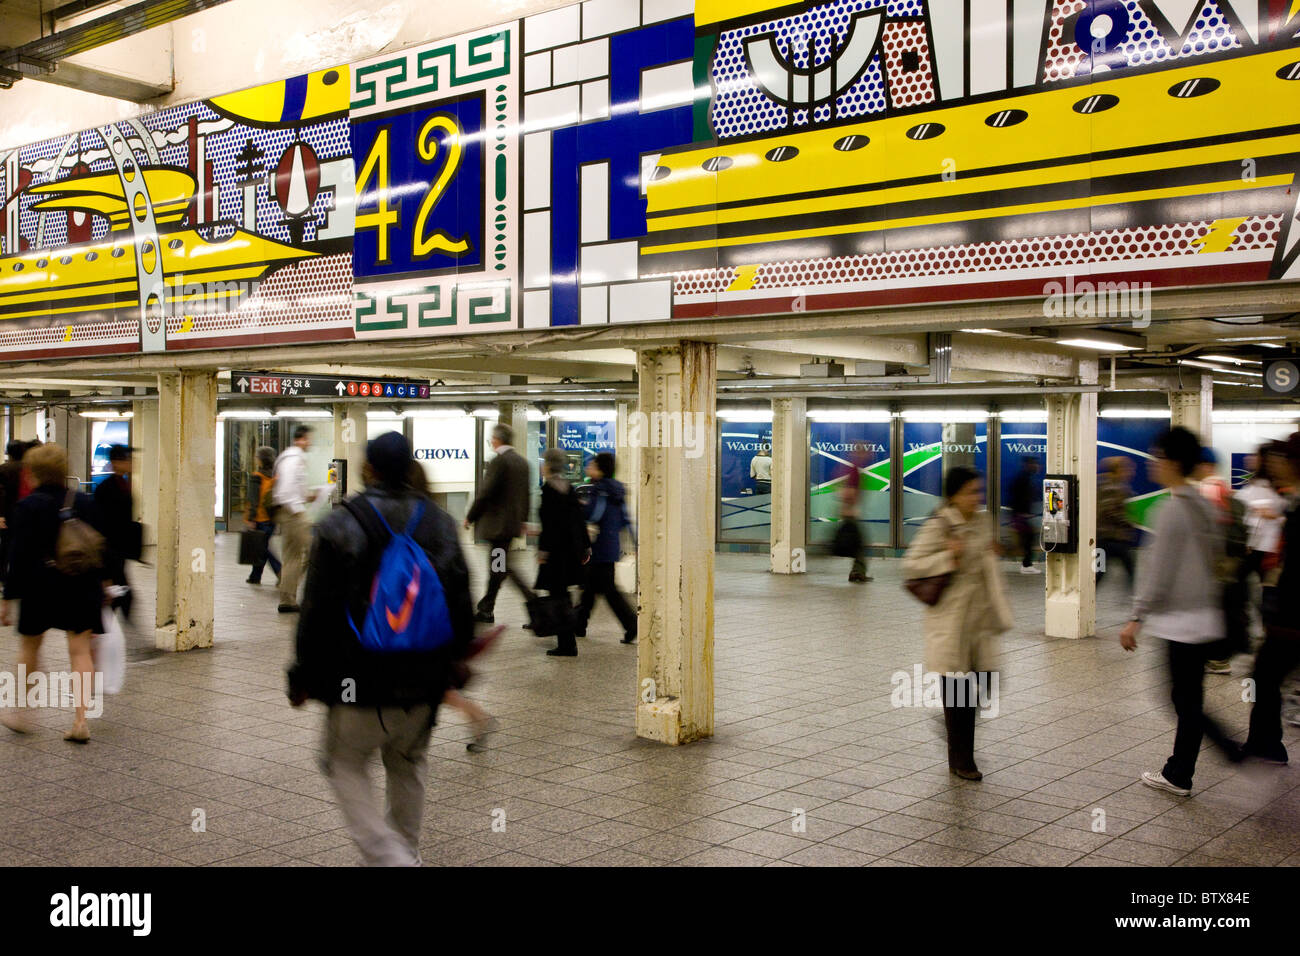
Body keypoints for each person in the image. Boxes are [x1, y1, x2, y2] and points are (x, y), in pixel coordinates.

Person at [287, 431, 476, 866]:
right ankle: (405, 851)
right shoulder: (439, 521)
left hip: (360, 679)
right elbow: (460, 602)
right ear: (410, 468)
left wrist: (303, 677)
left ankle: (391, 857)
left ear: (368, 469)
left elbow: (315, 612)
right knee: (408, 762)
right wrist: (453, 665)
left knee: (343, 761)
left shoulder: (340, 522)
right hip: (424, 678)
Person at [1119, 426, 1240, 796]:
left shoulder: (1169, 510)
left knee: (1181, 700)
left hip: (1180, 624)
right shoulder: (1205, 504)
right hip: (1205, 617)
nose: (1153, 463)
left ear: (1172, 462)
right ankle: (1179, 772)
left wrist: (1136, 617)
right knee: (1188, 699)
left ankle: (1234, 758)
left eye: (1157, 456)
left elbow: (1159, 571)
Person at [902, 465, 1012, 781]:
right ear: (953, 496)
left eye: (979, 491)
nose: (976, 497)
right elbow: (911, 566)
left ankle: (955, 739)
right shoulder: (939, 526)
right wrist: (948, 557)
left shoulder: (983, 521)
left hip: (981, 619)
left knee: (986, 685)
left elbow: (987, 564)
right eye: (970, 492)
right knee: (959, 691)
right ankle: (963, 761)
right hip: (951, 621)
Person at [0, 443, 106, 742]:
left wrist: (8, 598)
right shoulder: (85, 502)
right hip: (81, 583)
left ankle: (21, 711)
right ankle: (81, 720)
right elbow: (100, 546)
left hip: (39, 585)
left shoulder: (27, 506)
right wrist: (104, 585)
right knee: (80, 650)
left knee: (30, 648)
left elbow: (17, 557)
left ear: (31, 473)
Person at [407, 461, 497, 752]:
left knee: (426, 683)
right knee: (431, 683)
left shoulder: (406, 521)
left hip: (416, 621)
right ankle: (477, 718)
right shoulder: (440, 520)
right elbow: (460, 578)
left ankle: (476, 718)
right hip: (435, 621)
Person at [1239, 432, 1300, 765]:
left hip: (1292, 615)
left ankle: (1265, 744)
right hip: (1286, 611)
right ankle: (1266, 744)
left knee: (1263, 675)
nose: (1275, 466)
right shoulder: (1291, 500)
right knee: (1264, 676)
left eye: (1282, 459)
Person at [464, 423, 533, 624]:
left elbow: (486, 493)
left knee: (500, 568)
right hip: (511, 526)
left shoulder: (499, 462)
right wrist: (523, 519)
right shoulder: (522, 463)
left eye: (491, 439)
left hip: (497, 527)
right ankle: (487, 608)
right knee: (499, 567)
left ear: (496, 439)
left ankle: (532, 603)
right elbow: (525, 495)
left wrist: (471, 516)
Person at [1196, 447, 1249, 673]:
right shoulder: (1228, 492)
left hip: (1214, 563)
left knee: (1215, 609)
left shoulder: (1207, 490)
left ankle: (1218, 657)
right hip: (1232, 562)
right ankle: (1223, 654)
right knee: (1226, 608)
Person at [575, 451, 637, 644]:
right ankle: (578, 624)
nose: (588, 468)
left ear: (600, 469)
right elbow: (625, 518)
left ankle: (632, 625)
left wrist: (579, 507)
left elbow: (594, 515)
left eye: (592, 465)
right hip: (610, 545)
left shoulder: (599, 489)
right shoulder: (617, 489)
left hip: (599, 545)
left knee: (608, 591)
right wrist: (634, 541)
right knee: (590, 588)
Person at [536, 448, 590, 657]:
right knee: (563, 596)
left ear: (549, 466)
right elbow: (579, 521)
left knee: (558, 597)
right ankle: (567, 641)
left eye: (544, 462)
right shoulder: (569, 488)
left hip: (555, 555)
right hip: (569, 553)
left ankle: (566, 644)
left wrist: (543, 551)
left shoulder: (549, 490)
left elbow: (549, 526)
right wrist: (585, 546)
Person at [1236, 443, 1286, 641]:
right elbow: (1251, 515)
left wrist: (1275, 516)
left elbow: (1284, 516)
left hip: (1272, 549)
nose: (1250, 459)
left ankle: (1267, 626)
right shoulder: (1257, 483)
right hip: (1255, 546)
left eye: (1255, 456)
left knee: (1269, 591)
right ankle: (1257, 624)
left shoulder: (1279, 486)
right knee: (1243, 585)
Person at [273, 425, 316, 613]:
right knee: (316, 547)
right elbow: (287, 490)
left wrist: (308, 495)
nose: (310, 442)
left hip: (288, 510)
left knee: (292, 555)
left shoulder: (287, 457)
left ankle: (287, 594)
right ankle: (286, 586)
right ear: (300, 439)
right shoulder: (294, 458)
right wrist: (296, 509)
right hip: (293, 512)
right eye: (308, 439)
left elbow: (292, 487)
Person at [92, 445, 137, 621]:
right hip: (110, 548)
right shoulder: (106, 489)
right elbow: (102, 522)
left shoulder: (123, 484)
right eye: (128, 460)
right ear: (116, 463)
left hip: (119, 548)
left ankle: (114, 618)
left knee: (120, 588)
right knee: (120, 589)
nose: (131, 463)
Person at [1096, 456, 1137, 588]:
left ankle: (1086, 596)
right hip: (1113, 539)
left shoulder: (1104, 484)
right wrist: (1128, 522)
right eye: (1127, 469)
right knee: (1130, 569)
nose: (1131, 472)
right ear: (1118, 470)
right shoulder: (1113, 487)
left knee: (1098, 571)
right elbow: (1110, 511)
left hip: (1102, 538)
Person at [243, 446, 282, 586]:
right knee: (261, 546)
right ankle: (255, 576)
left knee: (263, 549)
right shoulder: (275, 476)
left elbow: (253, 499)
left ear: (260, 460)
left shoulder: (256, 477)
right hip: (272, 518)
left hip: (260, 518)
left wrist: (251, 518)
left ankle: (280, 571)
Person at [838, 442, 872, 583]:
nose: (869, 455)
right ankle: (858, 572)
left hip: (849, 511)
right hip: (850, 512)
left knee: (859, 543)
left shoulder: (852, 469)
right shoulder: (854, 470)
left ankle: (857, 572)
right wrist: (851, 508)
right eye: (866, 453)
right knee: (859, 543)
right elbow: (848, 492)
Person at [0, 440, 30, 588]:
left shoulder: (3, 469)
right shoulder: (28, 469)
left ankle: (4, 578)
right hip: (24, 513)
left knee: (5, 546)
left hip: (7, 513)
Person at [1008, 456, 1041, 574]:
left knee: (1028, 539)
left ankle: (1027, 564)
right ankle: (1026, 565)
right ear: (1029, 465)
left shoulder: (1025, 478)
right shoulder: (1023, 479)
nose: (1037, 467)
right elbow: (1018, 498)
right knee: (1028, 539)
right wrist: (1022, 513)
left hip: (1022, 515)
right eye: (1035, 464)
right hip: (1021, 515)